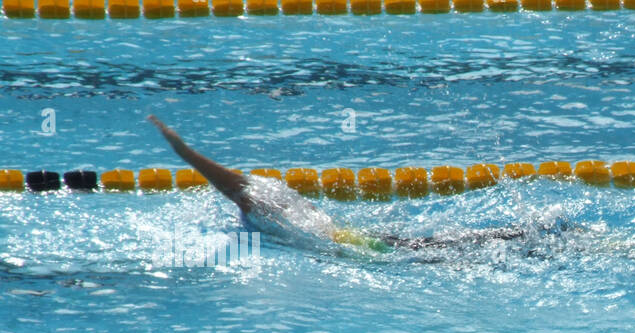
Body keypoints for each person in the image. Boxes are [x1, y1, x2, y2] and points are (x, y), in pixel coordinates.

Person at [146, 116, 546, 257]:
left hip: (355, 247)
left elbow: (225, 183)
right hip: (352, 237)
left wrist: (183, 151)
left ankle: (530, 241)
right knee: (436, 246)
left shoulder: (253, 201)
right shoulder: (269, 189)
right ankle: (526, 238)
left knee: (438, 253)